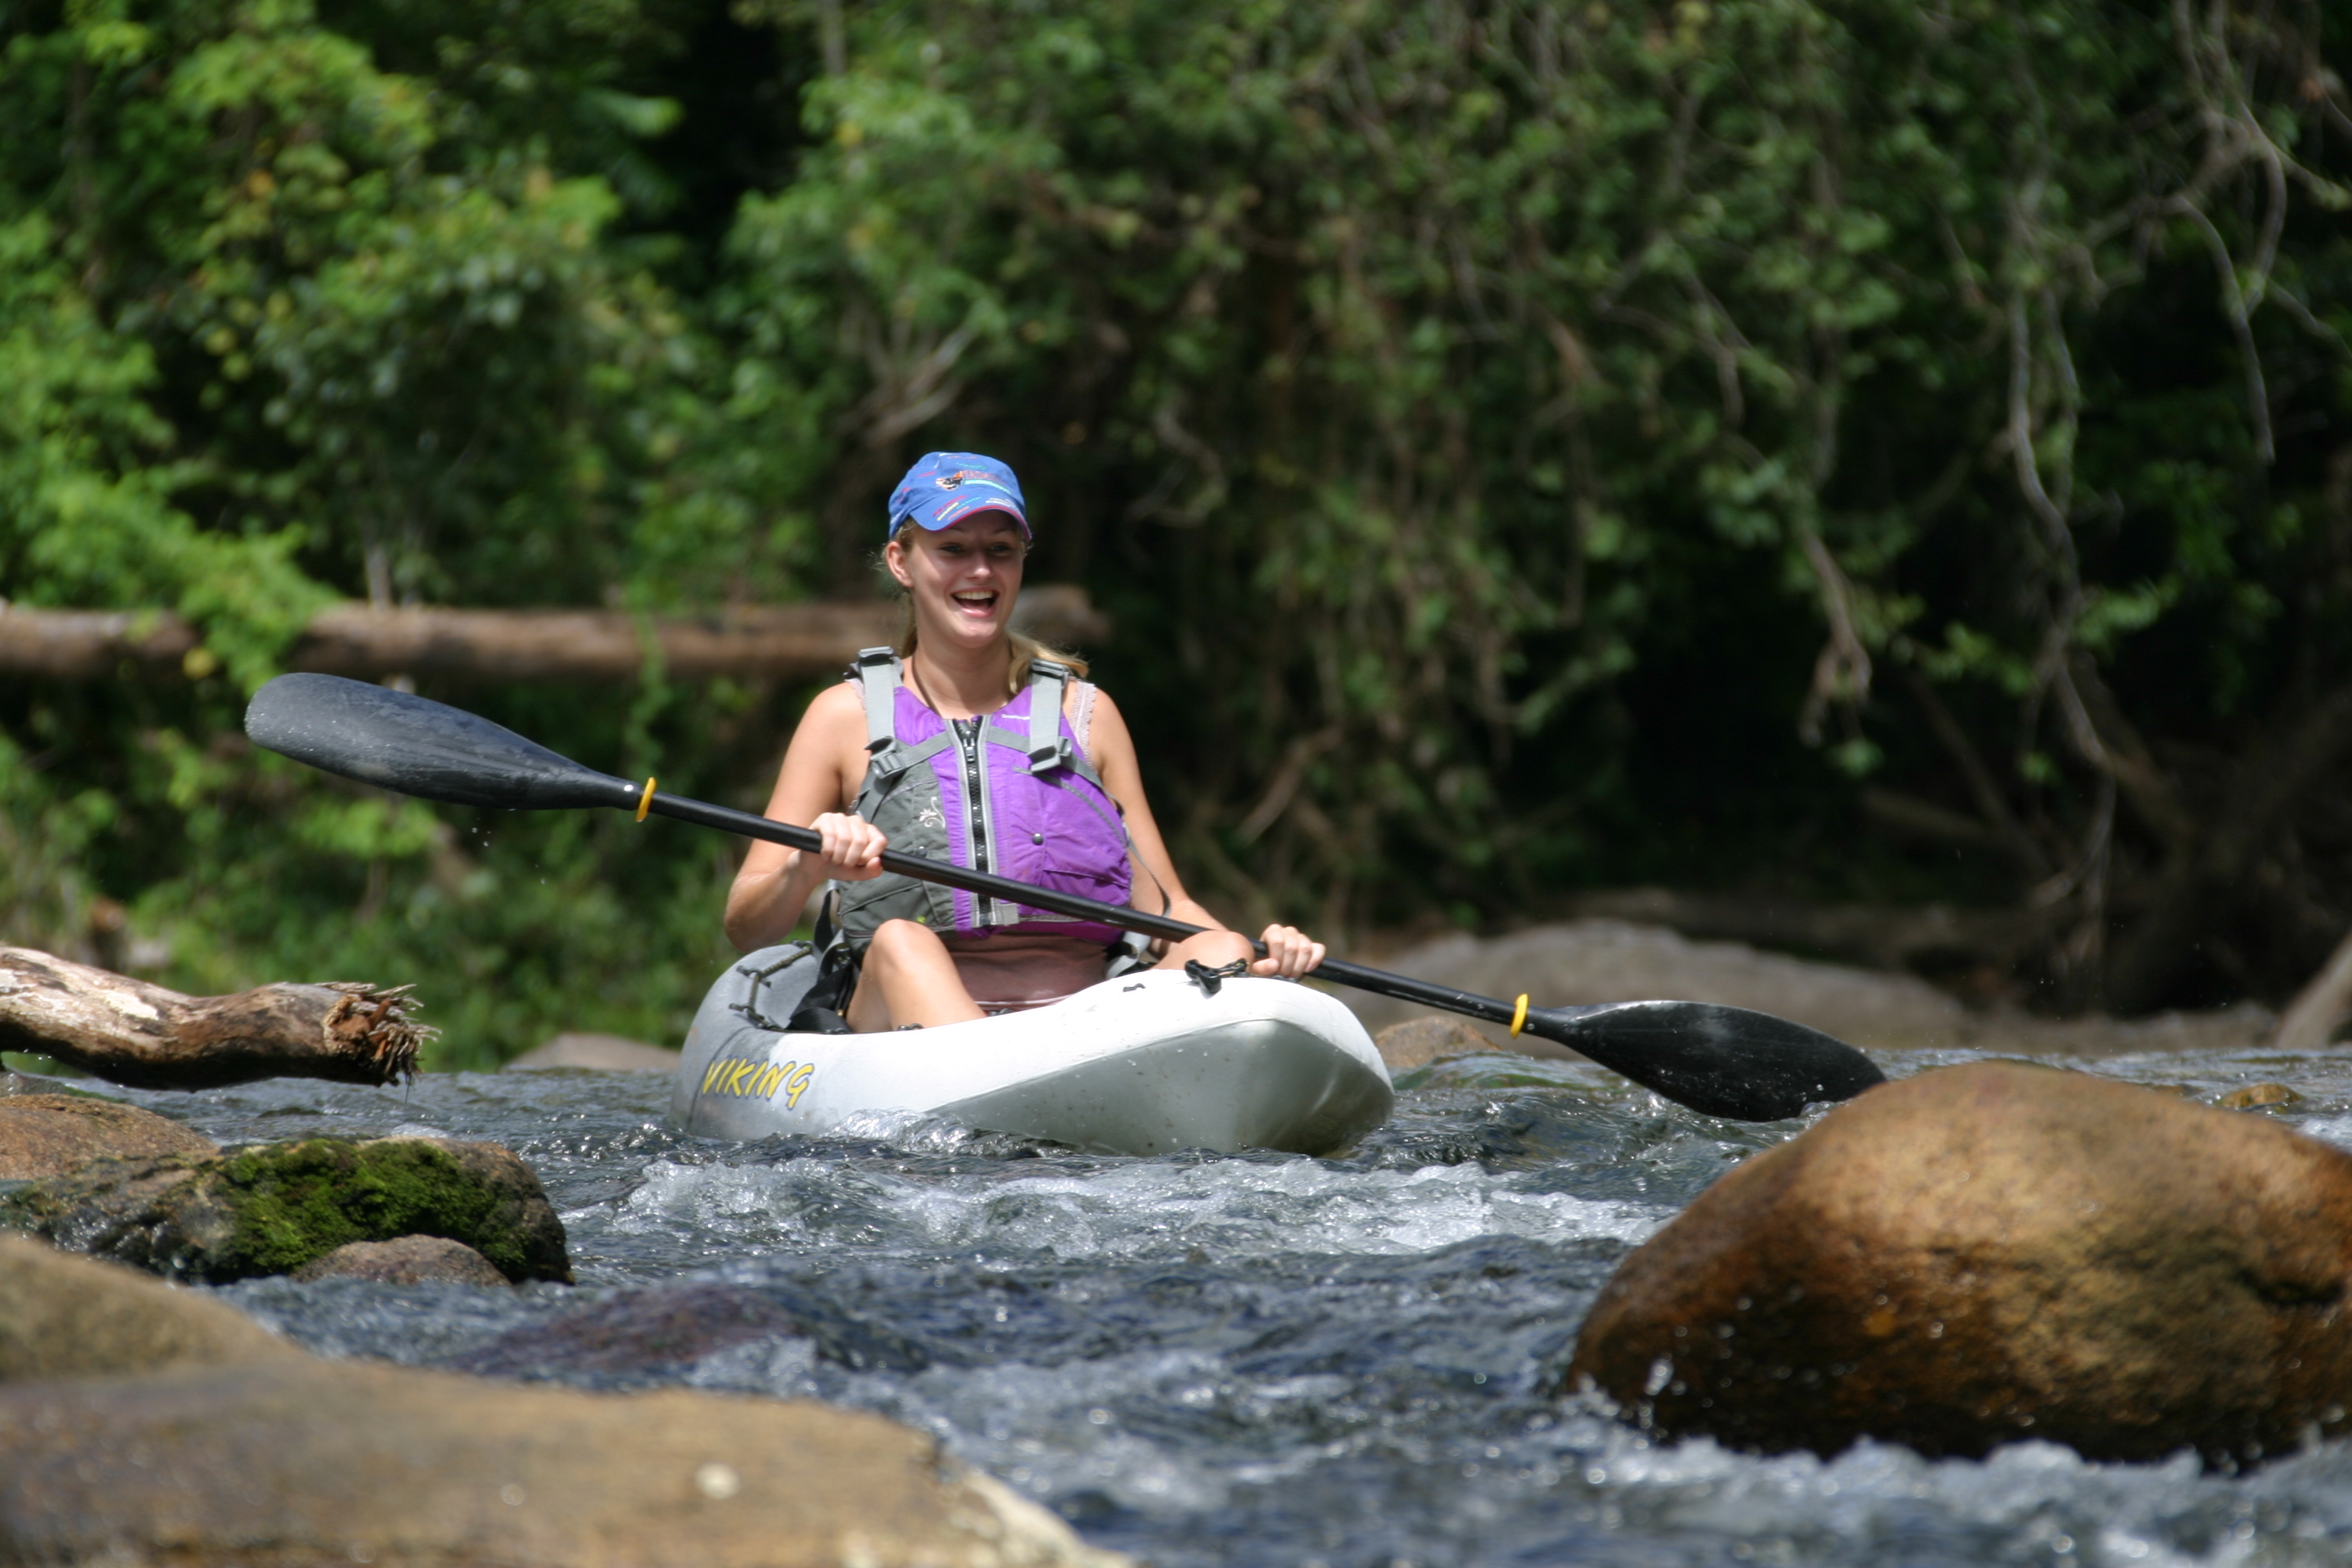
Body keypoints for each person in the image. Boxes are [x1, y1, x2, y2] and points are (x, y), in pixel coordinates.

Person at [724, 451, 1325, 1031]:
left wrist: (1261, 956)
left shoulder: (1085, 715)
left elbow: (1169, 912)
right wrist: (805, 866)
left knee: (1220, 946)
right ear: (901, 563)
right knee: (902, 942)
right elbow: (747, 927)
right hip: (906, 1019)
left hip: (1080, 1020)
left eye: (1000, 550)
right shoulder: (842, 717)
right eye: (953, 549)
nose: (980, 571)